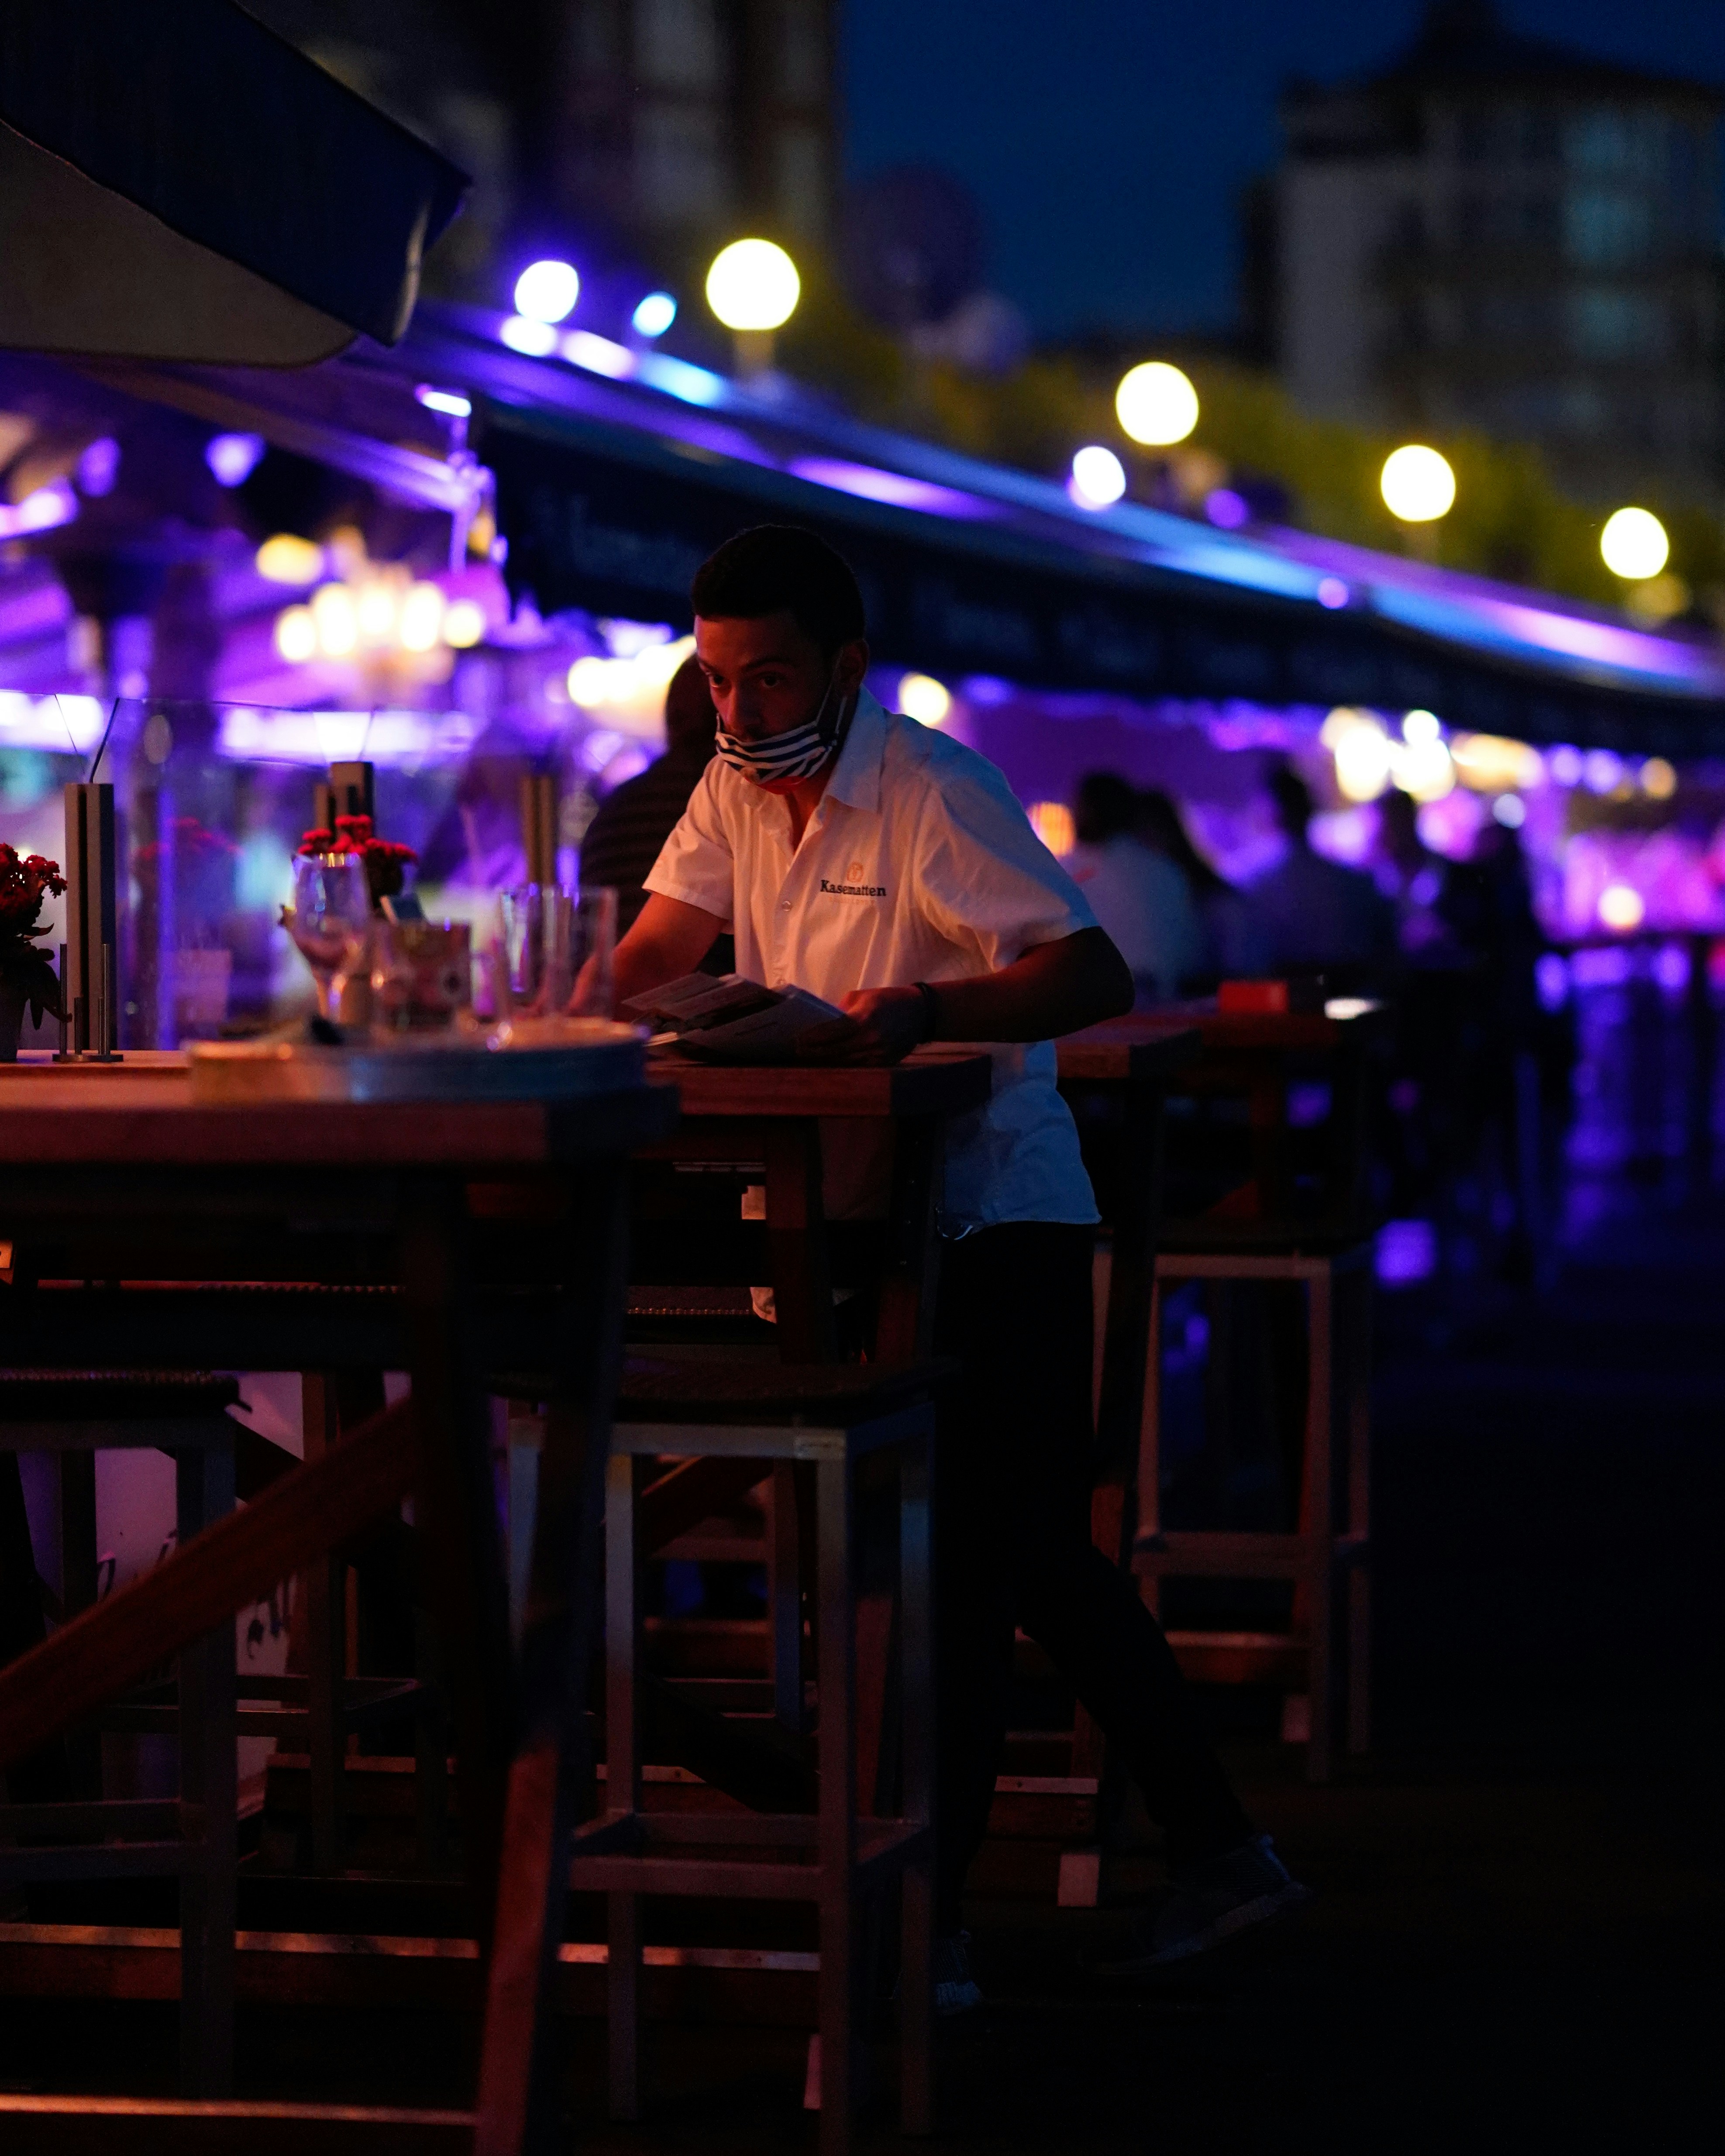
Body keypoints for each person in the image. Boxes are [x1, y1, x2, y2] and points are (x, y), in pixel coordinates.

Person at [613, 524, 1308, 2008]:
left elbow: (1090, 972)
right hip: (846, 1221)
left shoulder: (932, 785)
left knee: (978, 1563)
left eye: (769, 676)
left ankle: (933, 1924)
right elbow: (654, 948)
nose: (735, 712)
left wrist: (920, 1009)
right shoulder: (732, 788)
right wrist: (624, 996)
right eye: (717, 678)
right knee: (1003, 1558)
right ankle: (1189, 1859)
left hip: (997, 1215)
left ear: (848, 670)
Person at [578, 652, 719, 939]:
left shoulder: (614, 809)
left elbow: (589, 936)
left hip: (615, 976)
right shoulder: (730, 802)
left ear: (669, 720)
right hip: (716, 983)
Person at [1249, 761, 1397, 981]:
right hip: (1351, 993)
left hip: (1292, 1000)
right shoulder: (1353, 881)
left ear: (1273, 814)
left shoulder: (1260, 888)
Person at [1068, 771, 1206, 1001]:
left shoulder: (1065, 873)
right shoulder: (1167, 872)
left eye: (1078, 807)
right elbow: (1189, 956)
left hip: (1092, 1011)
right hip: (1164, 1008)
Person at [1134, 785, 1266, 982]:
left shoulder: (1216, 902)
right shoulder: (1156, 899)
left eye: (1141, 837)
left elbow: (1242, 969)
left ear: (1164, 833)